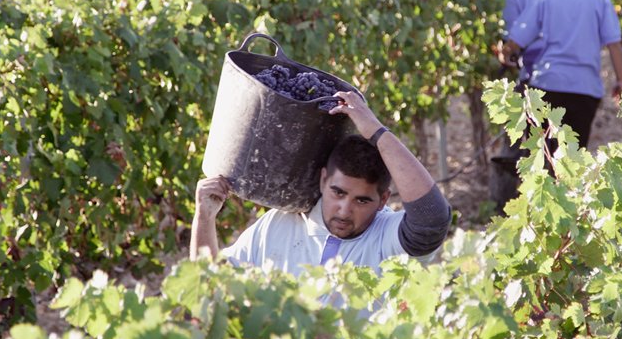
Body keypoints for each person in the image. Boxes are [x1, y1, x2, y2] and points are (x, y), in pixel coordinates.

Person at [190, 90, 452, 276]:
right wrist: (204, 218)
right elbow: (214, 284)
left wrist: (374, 129)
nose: (344, 210)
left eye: (362, 200)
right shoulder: (278, 225)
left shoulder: (387, 237)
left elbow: (432, 218)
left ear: (383, 199)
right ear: (323, 179)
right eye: (338, 192)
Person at [501, 0, 622, 148]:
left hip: (548, 85)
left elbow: (518, 37)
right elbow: (613, 43)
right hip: (584, 89)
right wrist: (621, 81)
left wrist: (505, 53)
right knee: (573, 158)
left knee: (544, 157)